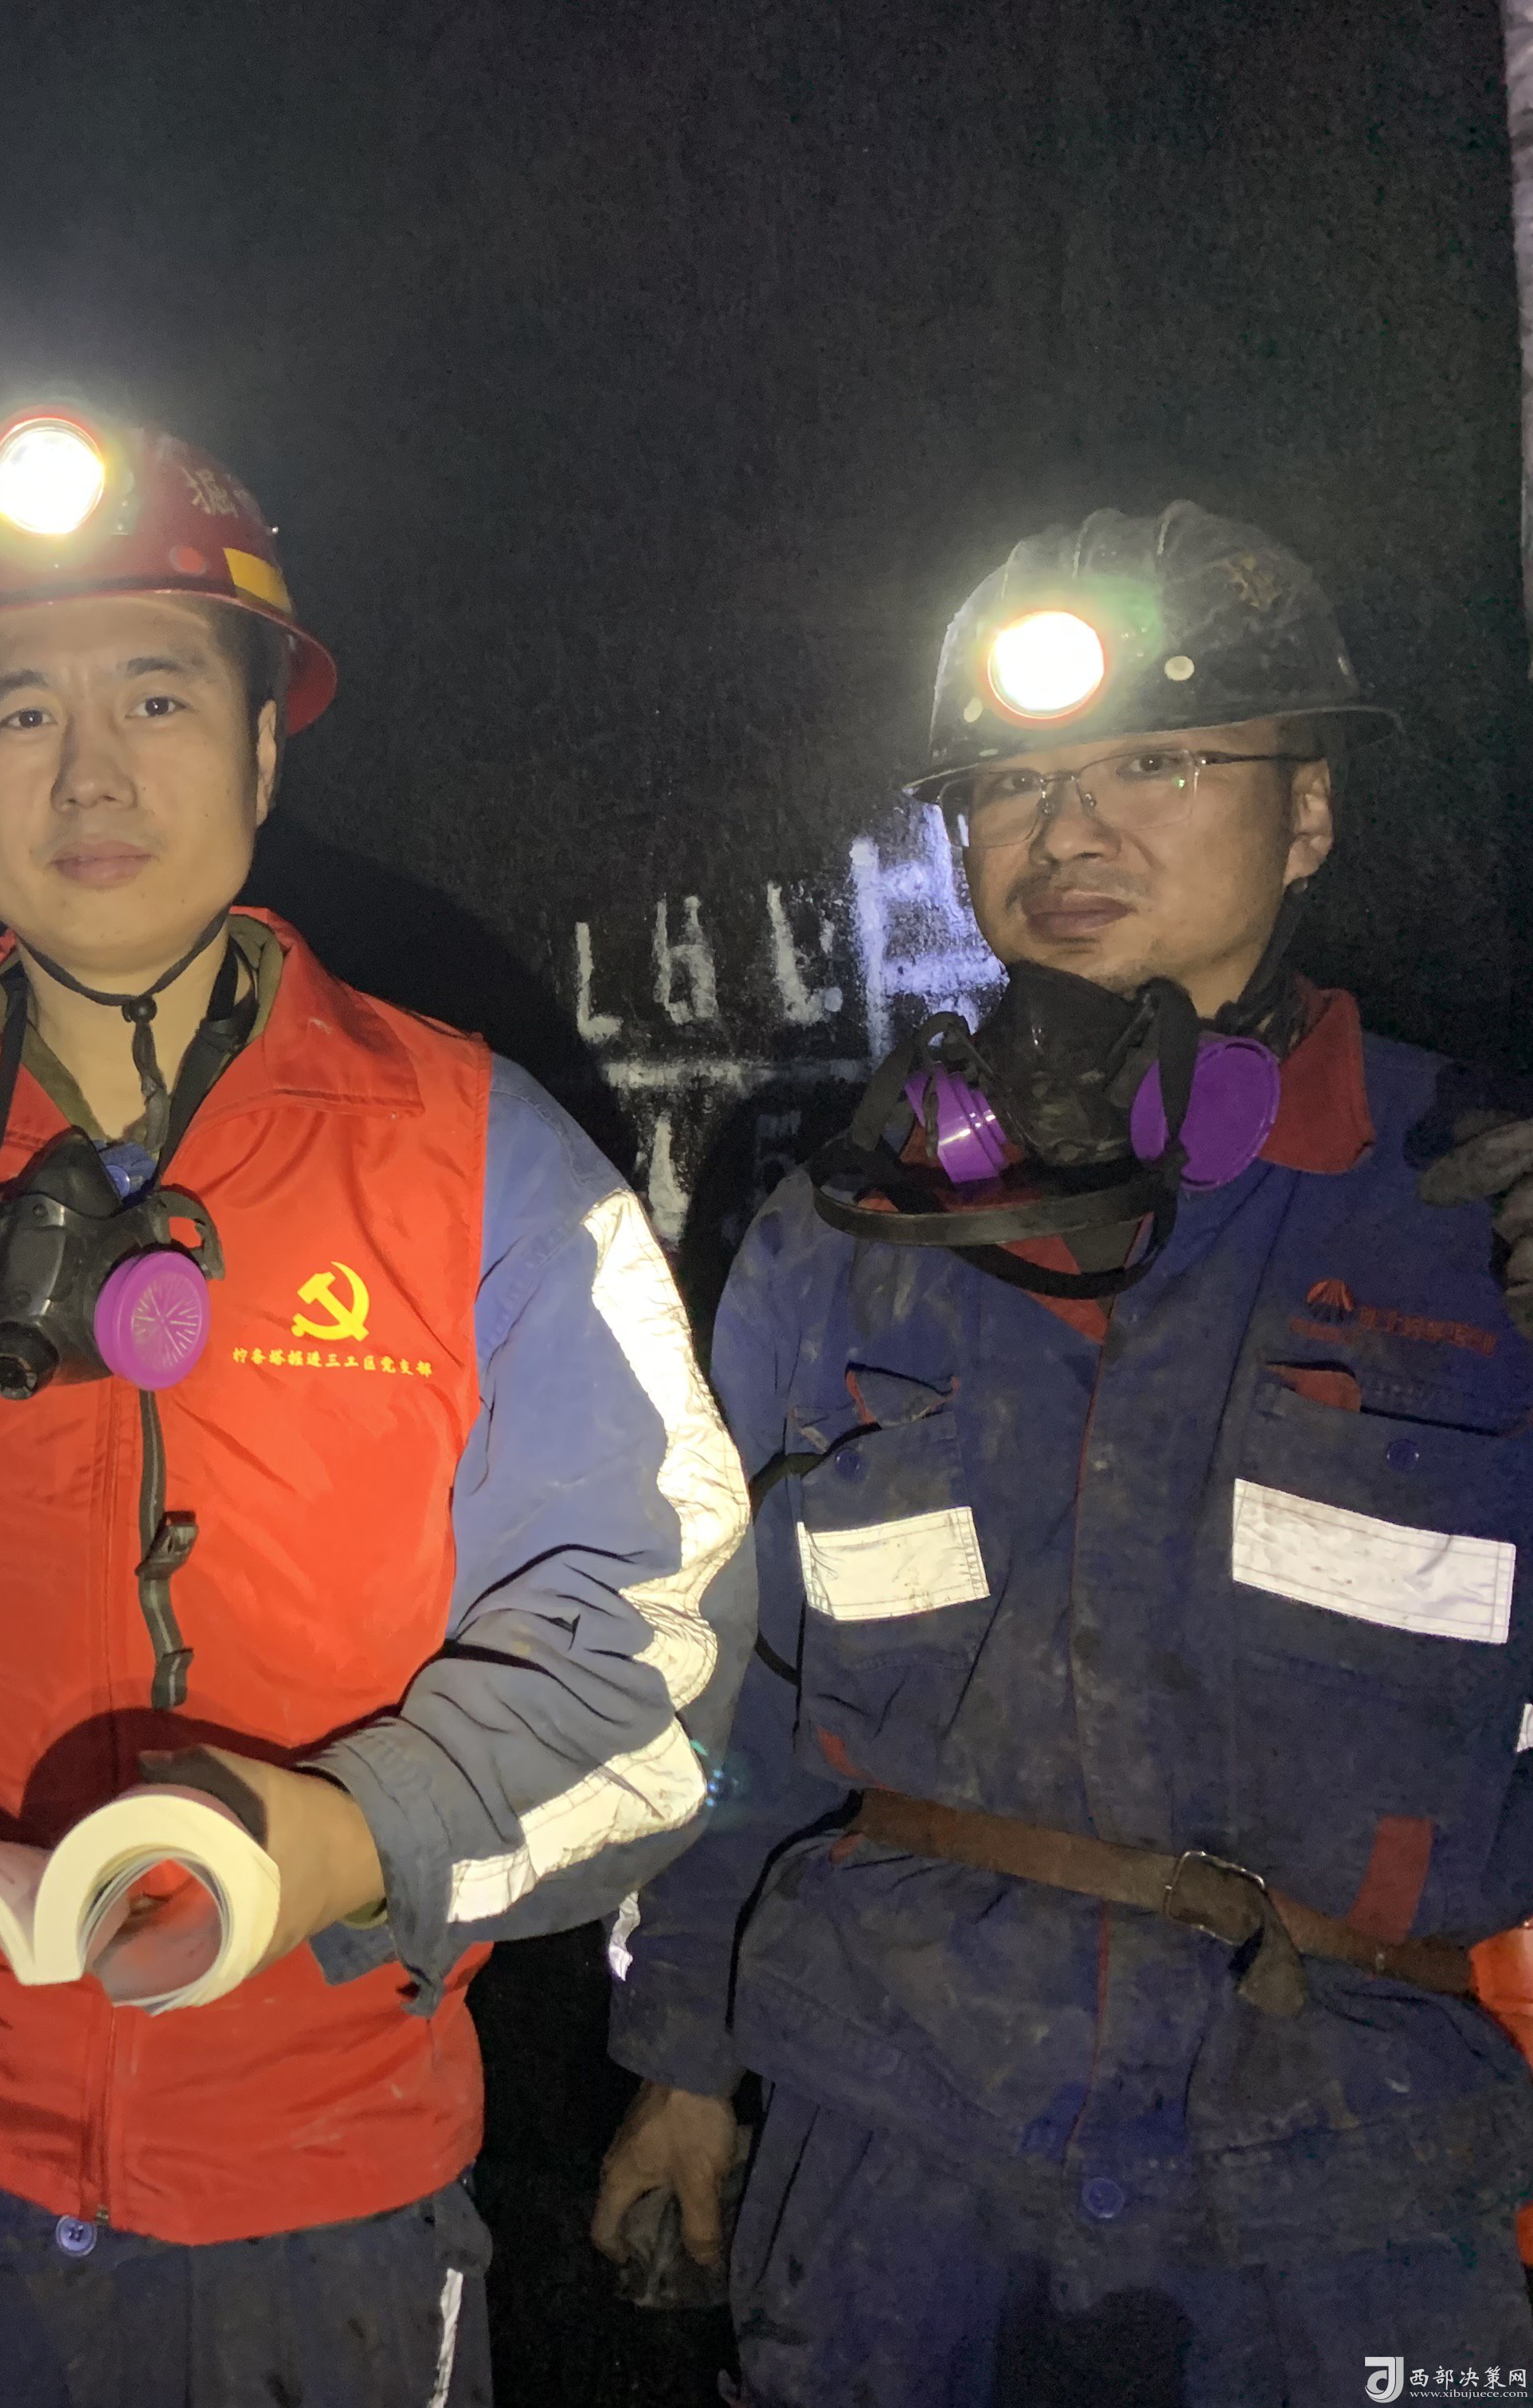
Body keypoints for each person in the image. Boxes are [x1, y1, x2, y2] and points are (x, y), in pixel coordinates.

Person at [0, 404, 757, 2407]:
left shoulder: (479, 1156)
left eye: (157, 695)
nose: (92, 772)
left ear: (267, 746)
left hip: (312, 2222)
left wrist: (331, 1843)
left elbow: (648, 1652)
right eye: (21, 710)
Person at [593, 502, 1533, 2404]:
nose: (1073, 831)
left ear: (1309, 813)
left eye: (1160, 762)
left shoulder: (1476, 1217)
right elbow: (729, 1683)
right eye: (1018, 784)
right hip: (894, 2148)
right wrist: (682, 2056)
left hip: (1349, 2178)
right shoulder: (850, 1236)